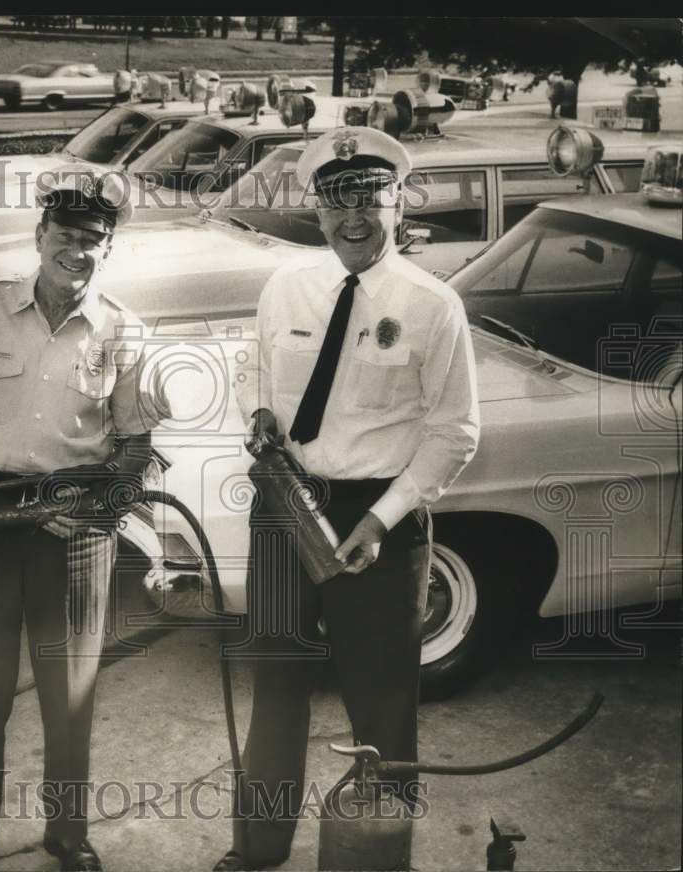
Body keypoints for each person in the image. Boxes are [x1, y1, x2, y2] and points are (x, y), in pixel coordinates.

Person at [216, 127, 480, 871]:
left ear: (398, 200)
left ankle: (376, 857)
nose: (352, 216)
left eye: (369, 196)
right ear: (318, 207)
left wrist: (380, 518)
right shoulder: (286, 287)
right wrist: (257, 413)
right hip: (285, 506)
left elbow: (456, 431)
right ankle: (259, 849)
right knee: (276, 687)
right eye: (336, 199)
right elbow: (253, 373)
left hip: (378, 519)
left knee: (384, 702)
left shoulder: (433, 306)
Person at [0, 166, 168, 872]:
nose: (77, 251)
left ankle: (68, 837)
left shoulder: (124, 331)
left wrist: (101, 515)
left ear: (109, 251)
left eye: (94, 240)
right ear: (39, 235)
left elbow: (138, 444)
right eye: (66, 234)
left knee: (68, 693)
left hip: (74, 524)